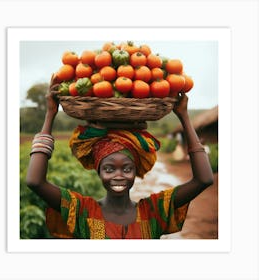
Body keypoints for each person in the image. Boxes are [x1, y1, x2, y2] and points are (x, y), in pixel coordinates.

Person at [26, 75, 214, 239]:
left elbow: (204, 179)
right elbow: (35, 182)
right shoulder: (82, 211)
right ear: (98, 170)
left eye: (127, 168)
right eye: (109, 168)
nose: (119, 175)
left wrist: (184, 116)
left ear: (135, 171)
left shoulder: (154, 211)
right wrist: (51, 114)